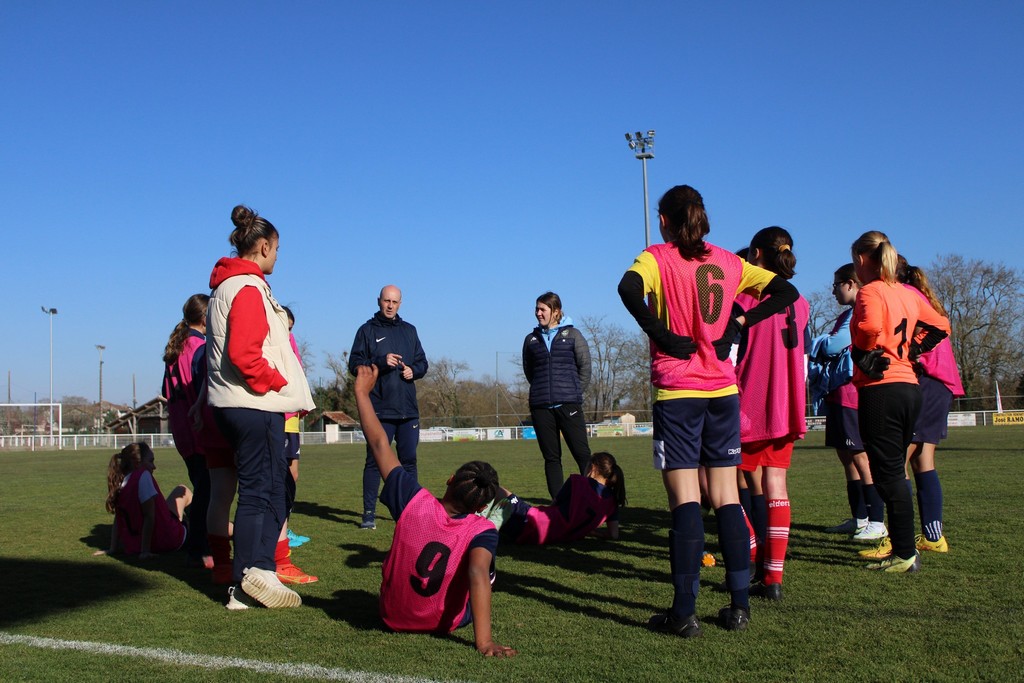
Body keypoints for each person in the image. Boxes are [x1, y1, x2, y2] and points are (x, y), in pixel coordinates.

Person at [618, 184, 799, 636]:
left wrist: (662, 335)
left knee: (685, 500)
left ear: (664, 220)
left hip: (679, 391)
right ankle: (739, 607)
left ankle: (683, 614)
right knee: (727, 498)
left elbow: (627, 288)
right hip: (723, 390)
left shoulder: (657, 257)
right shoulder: (729, 261)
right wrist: (739, 323)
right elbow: (785, 292)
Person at [353, 364, 516, 658]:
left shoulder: (413, 499)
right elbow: (477, 572)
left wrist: (362, 394)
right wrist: (484, 642)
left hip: (391, 616)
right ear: (481, 508)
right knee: (486, 568)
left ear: (450, 480)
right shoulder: (482, 528)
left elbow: (378, 443)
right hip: (445, 622)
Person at [206, 204, 315, 610]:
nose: (278, 256)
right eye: (277, 249)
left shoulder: (229, 286)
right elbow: (244, 354)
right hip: (253, 405)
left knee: (268, 487)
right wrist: (278, 382)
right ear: (265, 246)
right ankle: (248, 578)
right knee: (260, 491)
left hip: (239, 405)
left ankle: (258, 571)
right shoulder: (247, 287)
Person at [848, 231, 950, 573]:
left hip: (882, 389)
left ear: (861, 259)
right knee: (893, 470)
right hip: (909, 387)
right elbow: (942, 325)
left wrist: (863, 353)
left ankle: (905, 553)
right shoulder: (906, 293)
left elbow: (870, 326)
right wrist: (912, 350)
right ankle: (905, 550)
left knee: (887, 473)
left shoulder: (871, 290)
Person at [733, 227, 809, 601]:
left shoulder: (747, 298)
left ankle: (751, 554)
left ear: (757, 255)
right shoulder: (801, 301)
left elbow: (730, 353)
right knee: (776, 486)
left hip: (748, 404)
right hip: (787, 406)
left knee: (722, 486)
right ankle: (773, 578)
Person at [811, 265, 887, 541]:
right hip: (836, 392)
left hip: (850, 391)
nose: (833, 291)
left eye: (836, 285)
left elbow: (833, 345)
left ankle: (877, 521)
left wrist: (818, 343)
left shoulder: (862, 312)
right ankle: (859, 518)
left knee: (860, 457)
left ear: (852, 284)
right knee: (847, 458)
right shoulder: (846, 314)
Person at [348, 285, 428, 530]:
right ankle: (368, 514)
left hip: (408, 410)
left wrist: (414, 370)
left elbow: (423, 363)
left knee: (409, 461)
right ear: (379, 301)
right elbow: (354, 364)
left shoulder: (409, 331)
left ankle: (409, 511)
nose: (390, 305)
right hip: (380, 410)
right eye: (386, 301)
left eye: (394, 301)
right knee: (374, 461)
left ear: (400, 303)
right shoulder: (367, 330)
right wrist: (380, 362)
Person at [898, 259, 963, 554]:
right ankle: (933, 537)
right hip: (938, 385)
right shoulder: (918, 295)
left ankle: (899, 540)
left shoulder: (906, 297)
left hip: (928, 382)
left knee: (896, 463)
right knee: (922, 461)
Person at [523, 292, 593, 500]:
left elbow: (585, 367)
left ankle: (593, 500)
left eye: (542, 309)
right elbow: (530, 372)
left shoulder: (573, 335)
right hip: (541, 407)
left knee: (582, 454)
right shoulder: (530, 340)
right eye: (536, 309)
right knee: (551, 458)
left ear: (556, 311)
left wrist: (572, 391)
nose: (538, 313)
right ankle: (559, 504)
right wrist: (541, 391)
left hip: (569, 404)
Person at [161, 293, 213, 568]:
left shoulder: (175, 348)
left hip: (181, 429)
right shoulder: (199, 346)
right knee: (207, 489)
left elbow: (165, 390)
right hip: (197, 427)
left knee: (203, 486)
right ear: (205, 318)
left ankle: (197, 540)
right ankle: (199, 547)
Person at [490, 451, 625, 544]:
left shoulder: (577, 481)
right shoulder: (612, 503)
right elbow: (613, 535)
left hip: (531, 523)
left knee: (492, 488)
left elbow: (553, 506)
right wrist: (591, 532)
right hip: (555, 538)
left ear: (592, 468)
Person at [273, 305, 316, 583]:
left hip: (291, 419)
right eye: (285, 326)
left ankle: (285, 527)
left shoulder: (289, 341)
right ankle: (279, 536)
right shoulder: (273, 341)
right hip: (279, 417)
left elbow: (297, 371)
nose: (288, 331)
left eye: (291, 327)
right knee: (279, 479)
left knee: (292, 475)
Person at [95, 442, 190, 559]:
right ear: (137, 463)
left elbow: (118, 519)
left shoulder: (120, 483)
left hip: (136, 544)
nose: (154, 466)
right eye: (150, 461)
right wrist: (145, 551)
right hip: (168, 539)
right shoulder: (142, 476)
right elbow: (149, 516)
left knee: (180, 490)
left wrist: (112, 548)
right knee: (185, 492)